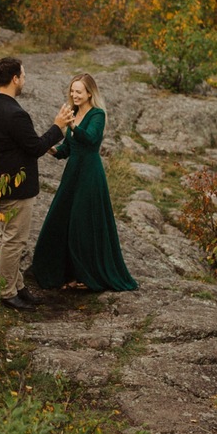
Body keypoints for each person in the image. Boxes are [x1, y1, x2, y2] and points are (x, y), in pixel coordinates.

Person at [0, 57, 73, 312]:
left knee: (7, 236)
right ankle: (7, 292)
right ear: (15, 79)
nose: (25, 79)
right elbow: (34, 148)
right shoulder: (16, 114)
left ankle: (17, 285)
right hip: (16, 187)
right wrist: (58, 126)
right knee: (14, 241)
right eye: (23, 74)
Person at [31, 72, 138, 293]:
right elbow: (66, 151)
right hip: (73, 174)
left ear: (89, 93)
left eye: (78, 91)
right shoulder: (74, 112)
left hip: (90, 174)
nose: (74, 94)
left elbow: (89, 139)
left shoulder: (97, 114)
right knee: (61, 221)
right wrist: (47, 147)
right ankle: (65, 272)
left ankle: (88, 276)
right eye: (72, 91)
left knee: (83, 224)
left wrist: (70, 126)